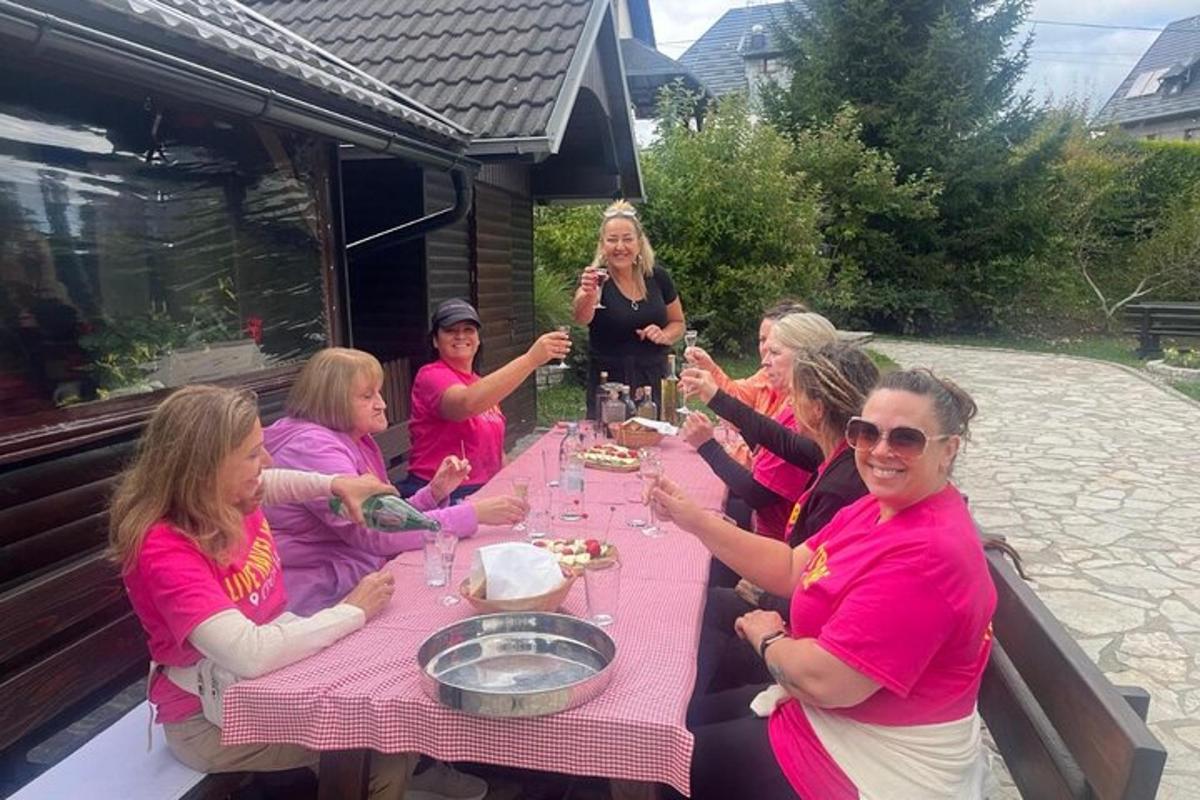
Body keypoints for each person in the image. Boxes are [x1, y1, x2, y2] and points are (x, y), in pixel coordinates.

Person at [653, 370, 996, 800]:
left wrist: (768, 637)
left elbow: (826, 682)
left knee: (665, 760)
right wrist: (694, 519)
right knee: (677, 721)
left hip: (870, 760)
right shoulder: (878, 507)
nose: (880, 450)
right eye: (867, 433)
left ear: (948, 450)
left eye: (906, 439)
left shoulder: (928, 556)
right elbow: (791, 566)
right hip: (831, 719)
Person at [108, 385, 419, 799]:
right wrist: (352, 611)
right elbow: (249, 653)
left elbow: (275, 482)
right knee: (381, 742)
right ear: (206, 468)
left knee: (395, 691)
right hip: (210, 718)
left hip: (268, 685)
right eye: (254, 453)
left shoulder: (226, 496)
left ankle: (413, 780)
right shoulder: (165, 547)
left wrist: (335, 483)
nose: (268, 462)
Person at [264, 347, 529, 617]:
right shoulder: (313, 448)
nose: (382, 404)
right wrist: (474, 514)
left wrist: (434, 493)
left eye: (378, 393)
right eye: (367, 396)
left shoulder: (352, 438)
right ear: (333, 401)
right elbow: (377, 532)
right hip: (320, 600)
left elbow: (388, 515)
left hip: (357, 578)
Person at [682, 341, 879, 695]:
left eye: (794, 396)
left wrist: (764, 599)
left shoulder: (841, 489)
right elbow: (780, 440)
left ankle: (692, 711)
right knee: (708, 594)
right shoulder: (839, 451)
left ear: (816, 409)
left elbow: (814, 587)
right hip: (795, 604)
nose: (789, 403)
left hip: (801, 639)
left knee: (701, 613)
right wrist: (715, 397)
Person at [678, 313, 837, 545]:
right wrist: (720, 403)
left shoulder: (805, 414)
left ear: (806, 358)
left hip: (778, 543)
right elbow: (773, 443)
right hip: (773, 534)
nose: (764, 361)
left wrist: (708, 446)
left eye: (775, 352)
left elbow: (760, 494)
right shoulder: (795, 402)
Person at [403, 298, 570, 498]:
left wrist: (512, 483)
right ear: (435, 341)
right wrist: (530, 360)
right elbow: (465, 405)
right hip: (440, 494)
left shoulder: (479, 383)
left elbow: (495, 451)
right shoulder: (431, 375)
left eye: (469, 329)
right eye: (450, 330)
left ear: (478, 339)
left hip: (483, 490)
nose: (460, 336)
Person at [572, 200, 685, 417]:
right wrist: (588, 293)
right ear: (602, 244)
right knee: (607, 438)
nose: (620, 247)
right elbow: (580, 317)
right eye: (612, 239)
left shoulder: (658, 277)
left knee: (657, 434)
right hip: (609, 385)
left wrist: (664, 335)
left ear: (639, 243)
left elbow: (678, 323)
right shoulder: (595, 279)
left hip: (653, 379)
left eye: (627, 239)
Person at [683, 298, 808, 467]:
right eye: (762, 340)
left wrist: (711, 449)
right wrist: (710, 370)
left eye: (775, 348)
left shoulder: (803, 405)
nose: (764, 351)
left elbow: (770, 460)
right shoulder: (766, 375)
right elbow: (740, 399)